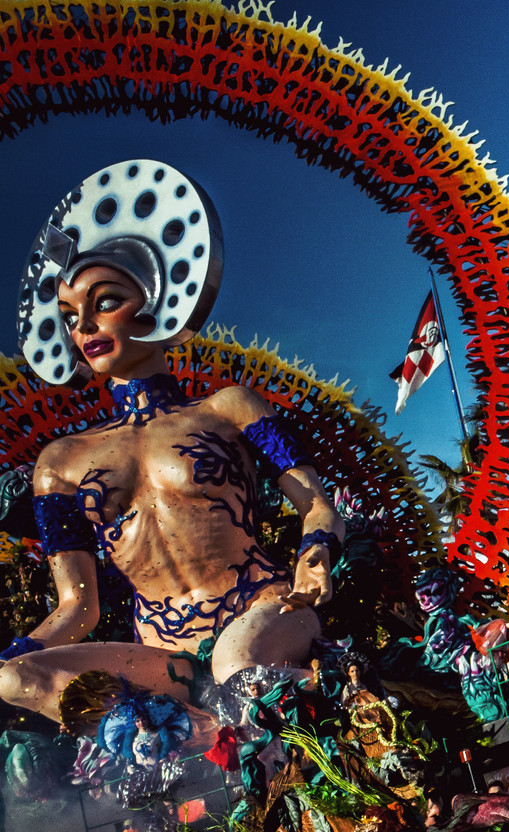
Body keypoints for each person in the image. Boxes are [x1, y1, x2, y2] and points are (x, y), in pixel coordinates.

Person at [1, 160, 341, 729]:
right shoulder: (58, 464)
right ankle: (193, 739)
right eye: (70, 317)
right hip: (163, 657)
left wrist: (314, 558)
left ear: (155, 299)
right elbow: (77, 607)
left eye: (104, 301)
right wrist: (19, 651)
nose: (85, 327)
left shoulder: (228, 408)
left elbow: (317, 504)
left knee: (235, 665)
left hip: (264, 613)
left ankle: (328, 693)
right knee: (16, 679)